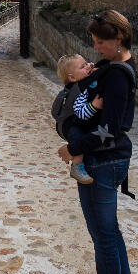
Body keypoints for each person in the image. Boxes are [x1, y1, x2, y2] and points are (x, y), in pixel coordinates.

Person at [58, 10, 137, 274]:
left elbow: (112, 129)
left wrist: (74, 147)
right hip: (106, 160)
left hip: (102, 161)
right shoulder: (115, 66)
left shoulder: (117, 75)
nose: (96, 48)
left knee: (103, 238)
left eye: (101, 42)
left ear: (118, 39)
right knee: (110, 234)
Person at [53, 54, 105, 184]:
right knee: (79, 137)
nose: (88, 66)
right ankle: (77, 166)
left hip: (73, 120)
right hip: (69, 124)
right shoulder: (80, 90)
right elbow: (81, 113)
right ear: (72, 77)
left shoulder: (83, 81)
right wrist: (94, 106)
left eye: (87, 63)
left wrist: (90, 68)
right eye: (83, 66)